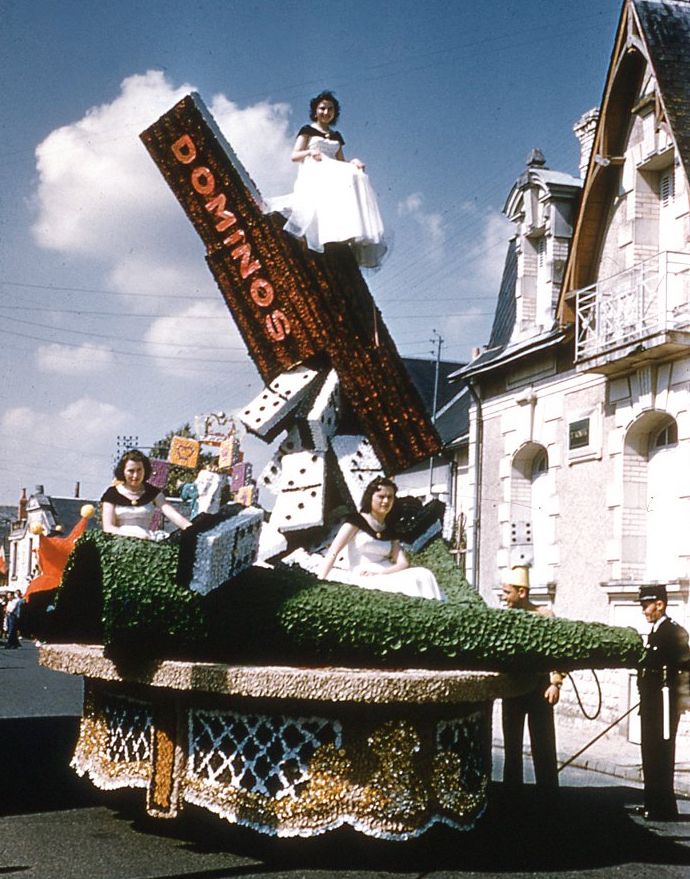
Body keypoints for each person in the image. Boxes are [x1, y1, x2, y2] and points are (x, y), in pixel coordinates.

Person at [266, 90, 387, 269]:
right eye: (322, 108)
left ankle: (351, 230)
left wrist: (353, 162)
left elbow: (340, 162)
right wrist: (310, 152)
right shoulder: (307, 131)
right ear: (315, 111)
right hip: (315, 169)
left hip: (331, 169)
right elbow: (294, 155)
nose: (326, 112)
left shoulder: (337, 136)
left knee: (358, 175)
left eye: (330, 109)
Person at [318, 477, 444, 601]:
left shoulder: (390, 528)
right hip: (363, 575)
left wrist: (382, 573)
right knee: (406, 584)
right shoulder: (355, 521)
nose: (386, 501)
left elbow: (403, 563)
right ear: (370, 497)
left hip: (386, 573)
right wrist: (320, 580)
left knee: (423, 575)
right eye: (381, 496)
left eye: (390, 497)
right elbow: (333, 552)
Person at [500, 566, 564, 796]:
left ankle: (548, 796)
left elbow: (559, 651)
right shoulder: (505, 618)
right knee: (512, 749)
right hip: (512, 689)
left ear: (522, 592)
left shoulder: (545, 616)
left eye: (507, 592)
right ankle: (512, 796)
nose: (504, 597)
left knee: (544, 745)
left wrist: (555, 682)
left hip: (540, 688)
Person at [636, 583, 690, 821]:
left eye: (646, 605)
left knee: (662, 754)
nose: (644, 611)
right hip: (650, 704)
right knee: (649, 752)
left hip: (665, 706)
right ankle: (652, 803)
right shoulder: (656, 631)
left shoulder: (675, 632)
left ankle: (664, 808)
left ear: (660, 604)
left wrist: (683, 700)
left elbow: (686, 668)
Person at [102, 449, 192, 540]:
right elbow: (108, 528)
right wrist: (135, 535)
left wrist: (192, 529)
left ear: (145, 470)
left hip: (147, 542)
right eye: (131, 471)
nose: (135, 475)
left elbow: (173, 514)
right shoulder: (111, 494)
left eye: (139, 470)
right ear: (123, 471)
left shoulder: (153, 492)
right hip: (118, 543)